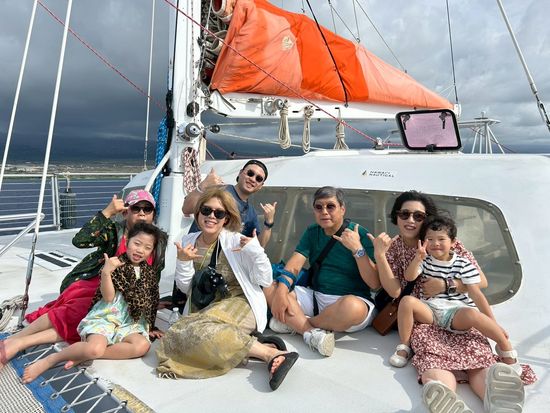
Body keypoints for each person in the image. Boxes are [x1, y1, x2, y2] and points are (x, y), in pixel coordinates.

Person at [370, 190, 534, 412]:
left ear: (427, 219)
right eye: (404, 214)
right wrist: (380, 255)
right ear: (396, 216)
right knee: (432, 358)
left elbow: (480, 282)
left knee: (479, 359)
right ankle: (445, 396)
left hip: (457, 311)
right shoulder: (395, 247)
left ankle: (497, 399)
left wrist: (446, 285)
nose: (410, 220)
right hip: (426, 317)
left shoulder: (445, 241)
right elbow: (396, 291)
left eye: (418, 216)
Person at [0, 190, 166, 371]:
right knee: (78, 311)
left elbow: (153, 280)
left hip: (127, 300)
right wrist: (107, 212)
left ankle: (72, 349)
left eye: (147, 209)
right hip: (98, 283)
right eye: (136, 208)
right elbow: (80, 240)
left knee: (84, 319)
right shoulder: (114, 231)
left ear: (153, 214)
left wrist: (149, 317)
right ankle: (15, 340)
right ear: (126, 212)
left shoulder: (158, 242)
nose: (142, 213)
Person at [156, 187, 298, 391]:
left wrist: (256, 251)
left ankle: (272, 355)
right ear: (198, 213)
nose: (211, 216)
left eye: (219, 213)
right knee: (174, 336)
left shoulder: (235, 241)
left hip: (239, 301)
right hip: (206, 306)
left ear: (226, 219)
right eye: (206, 210)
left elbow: (265, 279)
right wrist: (184, 262)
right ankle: (260, 346)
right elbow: (186, 287)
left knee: (198, 332)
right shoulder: (188, 241)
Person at [21, 223, 165, 383]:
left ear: (152, 251)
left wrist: (151, 327)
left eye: (147, 247)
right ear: (127, 240)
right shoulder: (115, 264)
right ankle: (51, 360)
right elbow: (108, 297)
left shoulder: (149, 273)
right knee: (94, 349)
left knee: (142, 346)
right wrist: (106, 272)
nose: (140, 250)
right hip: (106, 318)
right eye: (137, 243)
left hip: (129, 323)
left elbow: (150, 302)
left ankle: (81, 355)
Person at [389, 215, 520, 375]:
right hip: (430, 311)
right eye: (430, 239)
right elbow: (409, 277)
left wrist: (493, 323)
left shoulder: (463, 264)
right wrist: (417, 258)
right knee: (407, 301)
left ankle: (505, 348)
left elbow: (476, 294)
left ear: (453, 242)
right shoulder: (425, 261)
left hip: (455, 313)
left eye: (441, 239)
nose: (435, 243)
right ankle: (404, 346)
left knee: (472, 314)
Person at [264, 186, 380, 357]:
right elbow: (294, 265)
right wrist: (281, 292)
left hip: (349, 301)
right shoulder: (313, 232)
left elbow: (375, 284)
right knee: (269, 286)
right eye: (319, 207)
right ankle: (311, 333)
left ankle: (298, 325)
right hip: (316, 297)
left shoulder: (359, 234)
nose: (324, 212)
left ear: (342, 209)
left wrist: (357, 249)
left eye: (330, 206)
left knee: (352, 307)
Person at [181, 159, 277, 248]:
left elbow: (259, 246)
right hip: (194, 252)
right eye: (250, 173)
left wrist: (269, 223)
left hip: (220, 259)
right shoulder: (218, 190)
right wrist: (203, 185)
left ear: (260, 186)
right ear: (240, 173)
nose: (253, 179)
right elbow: (186, 209)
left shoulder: (251, 213)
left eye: (258, 179)